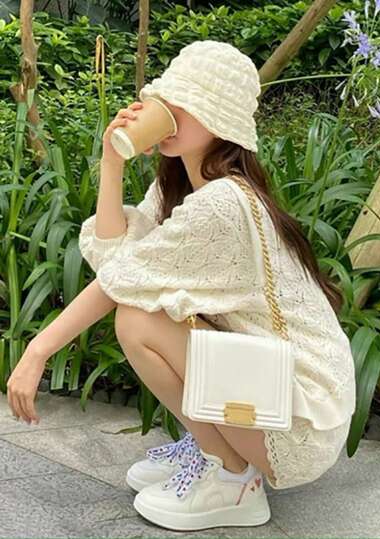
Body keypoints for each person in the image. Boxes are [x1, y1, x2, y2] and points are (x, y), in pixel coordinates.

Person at [6, 40, 356, 532]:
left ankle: (233, 478)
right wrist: (112, 161)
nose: (166, 112)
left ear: (219, 119)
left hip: (300, 418)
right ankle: (217, 445)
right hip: (268, 383)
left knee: (138, 320)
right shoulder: (182, 185)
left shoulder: (224, 202)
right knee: (149, 309)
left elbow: (120, 282)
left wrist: (38, 350)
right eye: (164, 100)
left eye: (182, 104)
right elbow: (114, 256)